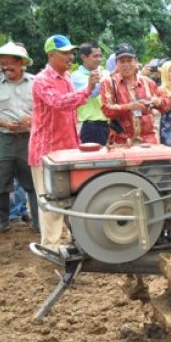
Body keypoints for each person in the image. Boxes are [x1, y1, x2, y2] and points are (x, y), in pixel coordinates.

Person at [30, 34, 98, 251]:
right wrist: (86, 90)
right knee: (50, 202)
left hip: (67, 149)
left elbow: (70, 113)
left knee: (67, 198)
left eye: (71, 52)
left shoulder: (67, 77)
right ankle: (50, 247)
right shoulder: (42, 80)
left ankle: (67, 241)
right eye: (65, 53)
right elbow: (58, 103)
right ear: (51, 55)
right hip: (46, 152)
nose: (70, 56)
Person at [0, 42, 38, 235]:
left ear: (22, 63)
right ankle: (3, 221)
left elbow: (46, 109)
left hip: (29, 140)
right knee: (0, 179)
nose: (5, 68)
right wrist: (5, 124)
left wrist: (33, 118)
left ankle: (38, 223)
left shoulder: (35, 83)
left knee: (33, 183)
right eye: (2, 64)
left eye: (9, 63)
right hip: (4, 140)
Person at [100, 43, 171, 145]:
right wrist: (129, 106)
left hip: (148, 141)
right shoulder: (109, 83)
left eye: (129, 61)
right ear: (116, 63)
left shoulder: (147, 82)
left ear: (136, 61)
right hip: (121, 142)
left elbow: (166, 105)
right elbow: (106, 109)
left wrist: (157, 101)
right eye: (122, 61)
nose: (126, 65)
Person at [72, 42, 110, 145]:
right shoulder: (76, 76)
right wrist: (105, 79)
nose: (99, 59)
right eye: (95, 56)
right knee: (94, 159)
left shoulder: (105, 73)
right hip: (91, 127)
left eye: (100, 56)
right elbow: (92, 93)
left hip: (109, 125)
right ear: (84, 57)